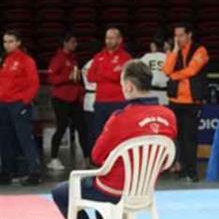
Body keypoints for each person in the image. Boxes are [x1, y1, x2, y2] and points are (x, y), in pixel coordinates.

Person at [50, 60, 176, 219]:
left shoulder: (121, 117)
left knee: (62, 192)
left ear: (128, 86)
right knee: (99, 183)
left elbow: (97, 156)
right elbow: (165, 158)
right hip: (143, 190)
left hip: (113, 189)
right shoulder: (169, 116)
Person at [162, 22, 209, 182]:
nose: (178, 38)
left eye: (181, 35)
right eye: (176, 35)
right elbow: (166, 70)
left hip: (191, 101)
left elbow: (192, 70)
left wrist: (174, 76)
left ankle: (192, 171)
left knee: (190, 137)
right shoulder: (173, 51)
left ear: (189, 35)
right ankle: (182, 168)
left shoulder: (200, 50)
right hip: (175, 100)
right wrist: (174, 50)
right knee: (179, 137)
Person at [0, 29, 41, 185]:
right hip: (3, 105)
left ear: (18, 42)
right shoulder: (4, 60)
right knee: (5, 139)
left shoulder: (26, 61)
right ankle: (7, 171)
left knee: (25, 138)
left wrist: (24, 101)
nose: (7, 45)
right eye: (5, 41)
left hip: (18, 104)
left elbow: (34, 83)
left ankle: (34, 172)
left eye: (11, 41)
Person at [86, 26, 132, 148]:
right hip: (100, 102)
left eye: (112, 38)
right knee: (99, 134)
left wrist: (101, 73)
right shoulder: (98, 56)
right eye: (107, 38)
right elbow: (90, 76)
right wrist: (112, 72)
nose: (108, 41)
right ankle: (102, 162)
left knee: (119, 134)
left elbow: (120, 77)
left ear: (119, 39)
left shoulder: (126, 57)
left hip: (119, 102)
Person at [47, 32, 85, 171]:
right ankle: (53, 158)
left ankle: (87, 157)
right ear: (65, 43)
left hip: (74, 98)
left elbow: (75, 80)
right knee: (62, 126)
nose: (75, 44)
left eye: (76, 42)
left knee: (82, 127)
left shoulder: (74, 59)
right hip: (61, 99)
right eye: (72, 42)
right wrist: (66, 77)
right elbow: (51, 79)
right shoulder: (58, 59)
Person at [142, 36, 169, 105]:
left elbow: (136, 70)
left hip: (150, 93)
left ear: (153, 46)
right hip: (165, 93)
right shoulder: (169, 57)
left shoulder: (147, 57)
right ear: (165, 46)